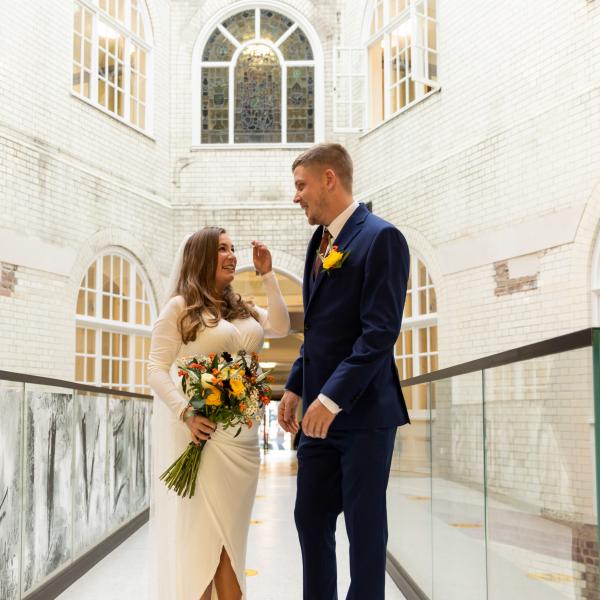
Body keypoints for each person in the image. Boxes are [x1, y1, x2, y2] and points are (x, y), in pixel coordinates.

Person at [278, 143, 410, 600]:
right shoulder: (319, 241)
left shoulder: (382, 237)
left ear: (329, 179)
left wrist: (330, 398)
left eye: (301, 185)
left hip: (364, 417)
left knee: (365, 533)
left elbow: (378, 334)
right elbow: (319, 332)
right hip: (316, 417)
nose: (296, 196)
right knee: (309, 518)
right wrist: (295, 387)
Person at [148, 227, 290, 600]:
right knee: (203, 545)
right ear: (201, 259)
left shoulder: (239, 306)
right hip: (205, 439)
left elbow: (281, 325)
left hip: (243, 445)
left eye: (232, 249)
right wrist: (185, 413)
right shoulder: (179, 307)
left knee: (232, 547)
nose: (231, 255)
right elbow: (155, 369)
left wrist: (268, 274)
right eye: (221, 250)